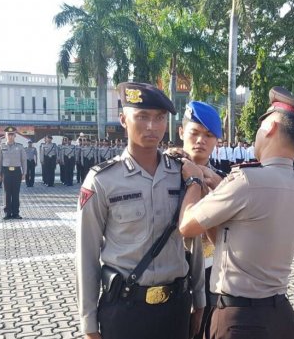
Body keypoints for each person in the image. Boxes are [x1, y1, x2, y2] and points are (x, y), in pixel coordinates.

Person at [178, 86, 294, 339]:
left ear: (270, 128)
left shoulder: (246, 180)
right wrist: (219, 185)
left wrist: (195, 181)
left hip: (240, 320)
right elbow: (226, 239)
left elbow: (186, 225)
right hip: (280, 316)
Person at [76, 82, 205, 339]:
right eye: (142, 117)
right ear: (123, 119)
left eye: (159, 118)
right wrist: (89, 325)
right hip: (126, 311)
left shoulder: (182, 173)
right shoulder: (102, 180)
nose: (151, 126)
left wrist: (199, 301)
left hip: (175, 307)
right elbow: (86, 254)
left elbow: (195, 244)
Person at [170, 101, 226, 339]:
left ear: (216, 141)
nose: (201, 140)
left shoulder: (225, 182)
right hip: (174, 271)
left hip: (211, 271)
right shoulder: (164, 173)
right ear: (181, 132)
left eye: (209, 135)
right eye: (194, 133)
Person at [0, 127, 26, 220]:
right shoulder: (1, 146)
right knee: (7, 193)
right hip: (6, 172)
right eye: (8, 134)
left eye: (12, 134)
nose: (10, 136)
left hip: (17, 171)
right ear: (5, 136)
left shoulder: (20, 146)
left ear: (15, 135)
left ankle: (16, 213)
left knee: (16, 193)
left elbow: (23, 160)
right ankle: (7, 213)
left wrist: (24, 173)